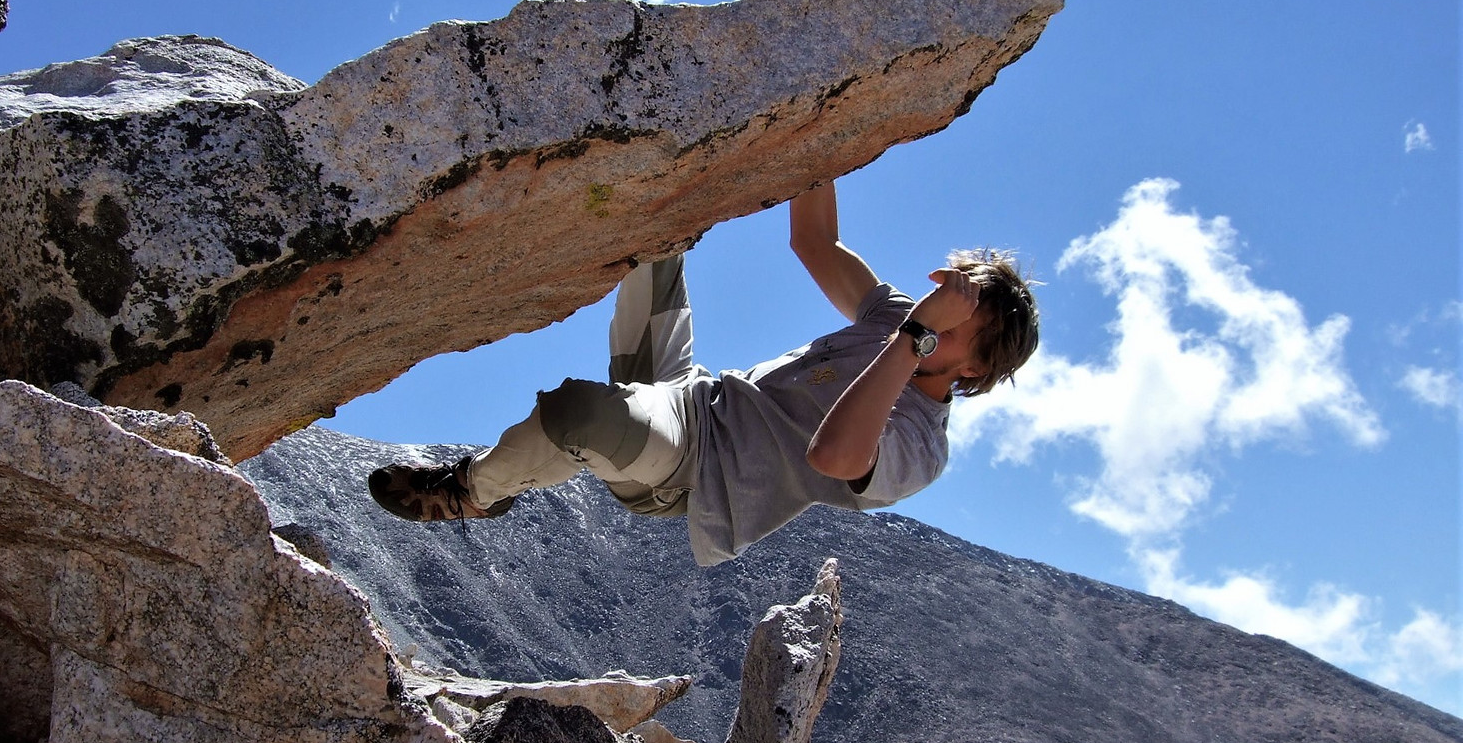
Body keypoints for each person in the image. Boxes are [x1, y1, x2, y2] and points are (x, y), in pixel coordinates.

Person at [368, 179, 1039, 567]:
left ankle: (472, 492)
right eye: (949, 291)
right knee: (654, 239)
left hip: (690, 474)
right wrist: (822, 124)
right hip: (690, 395)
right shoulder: (892, 318)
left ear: (976, 365)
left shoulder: (922, 446)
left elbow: (836, 456)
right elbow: (814, 241)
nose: (937, 307)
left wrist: (915, 338)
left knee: (576, 411)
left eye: (960, 315)